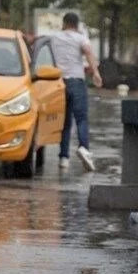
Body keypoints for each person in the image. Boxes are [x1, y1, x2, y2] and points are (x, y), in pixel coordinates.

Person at [50, 11, 103, 171]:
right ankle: (84, 148)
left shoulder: (55, 38)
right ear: (77, 24)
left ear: (64, 23)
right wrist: (96, 73)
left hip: (59, 83)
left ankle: (64, 157)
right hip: (76, 82)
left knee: (65, 122)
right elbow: (89, 53)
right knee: (81, 118)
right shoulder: (80, 38)